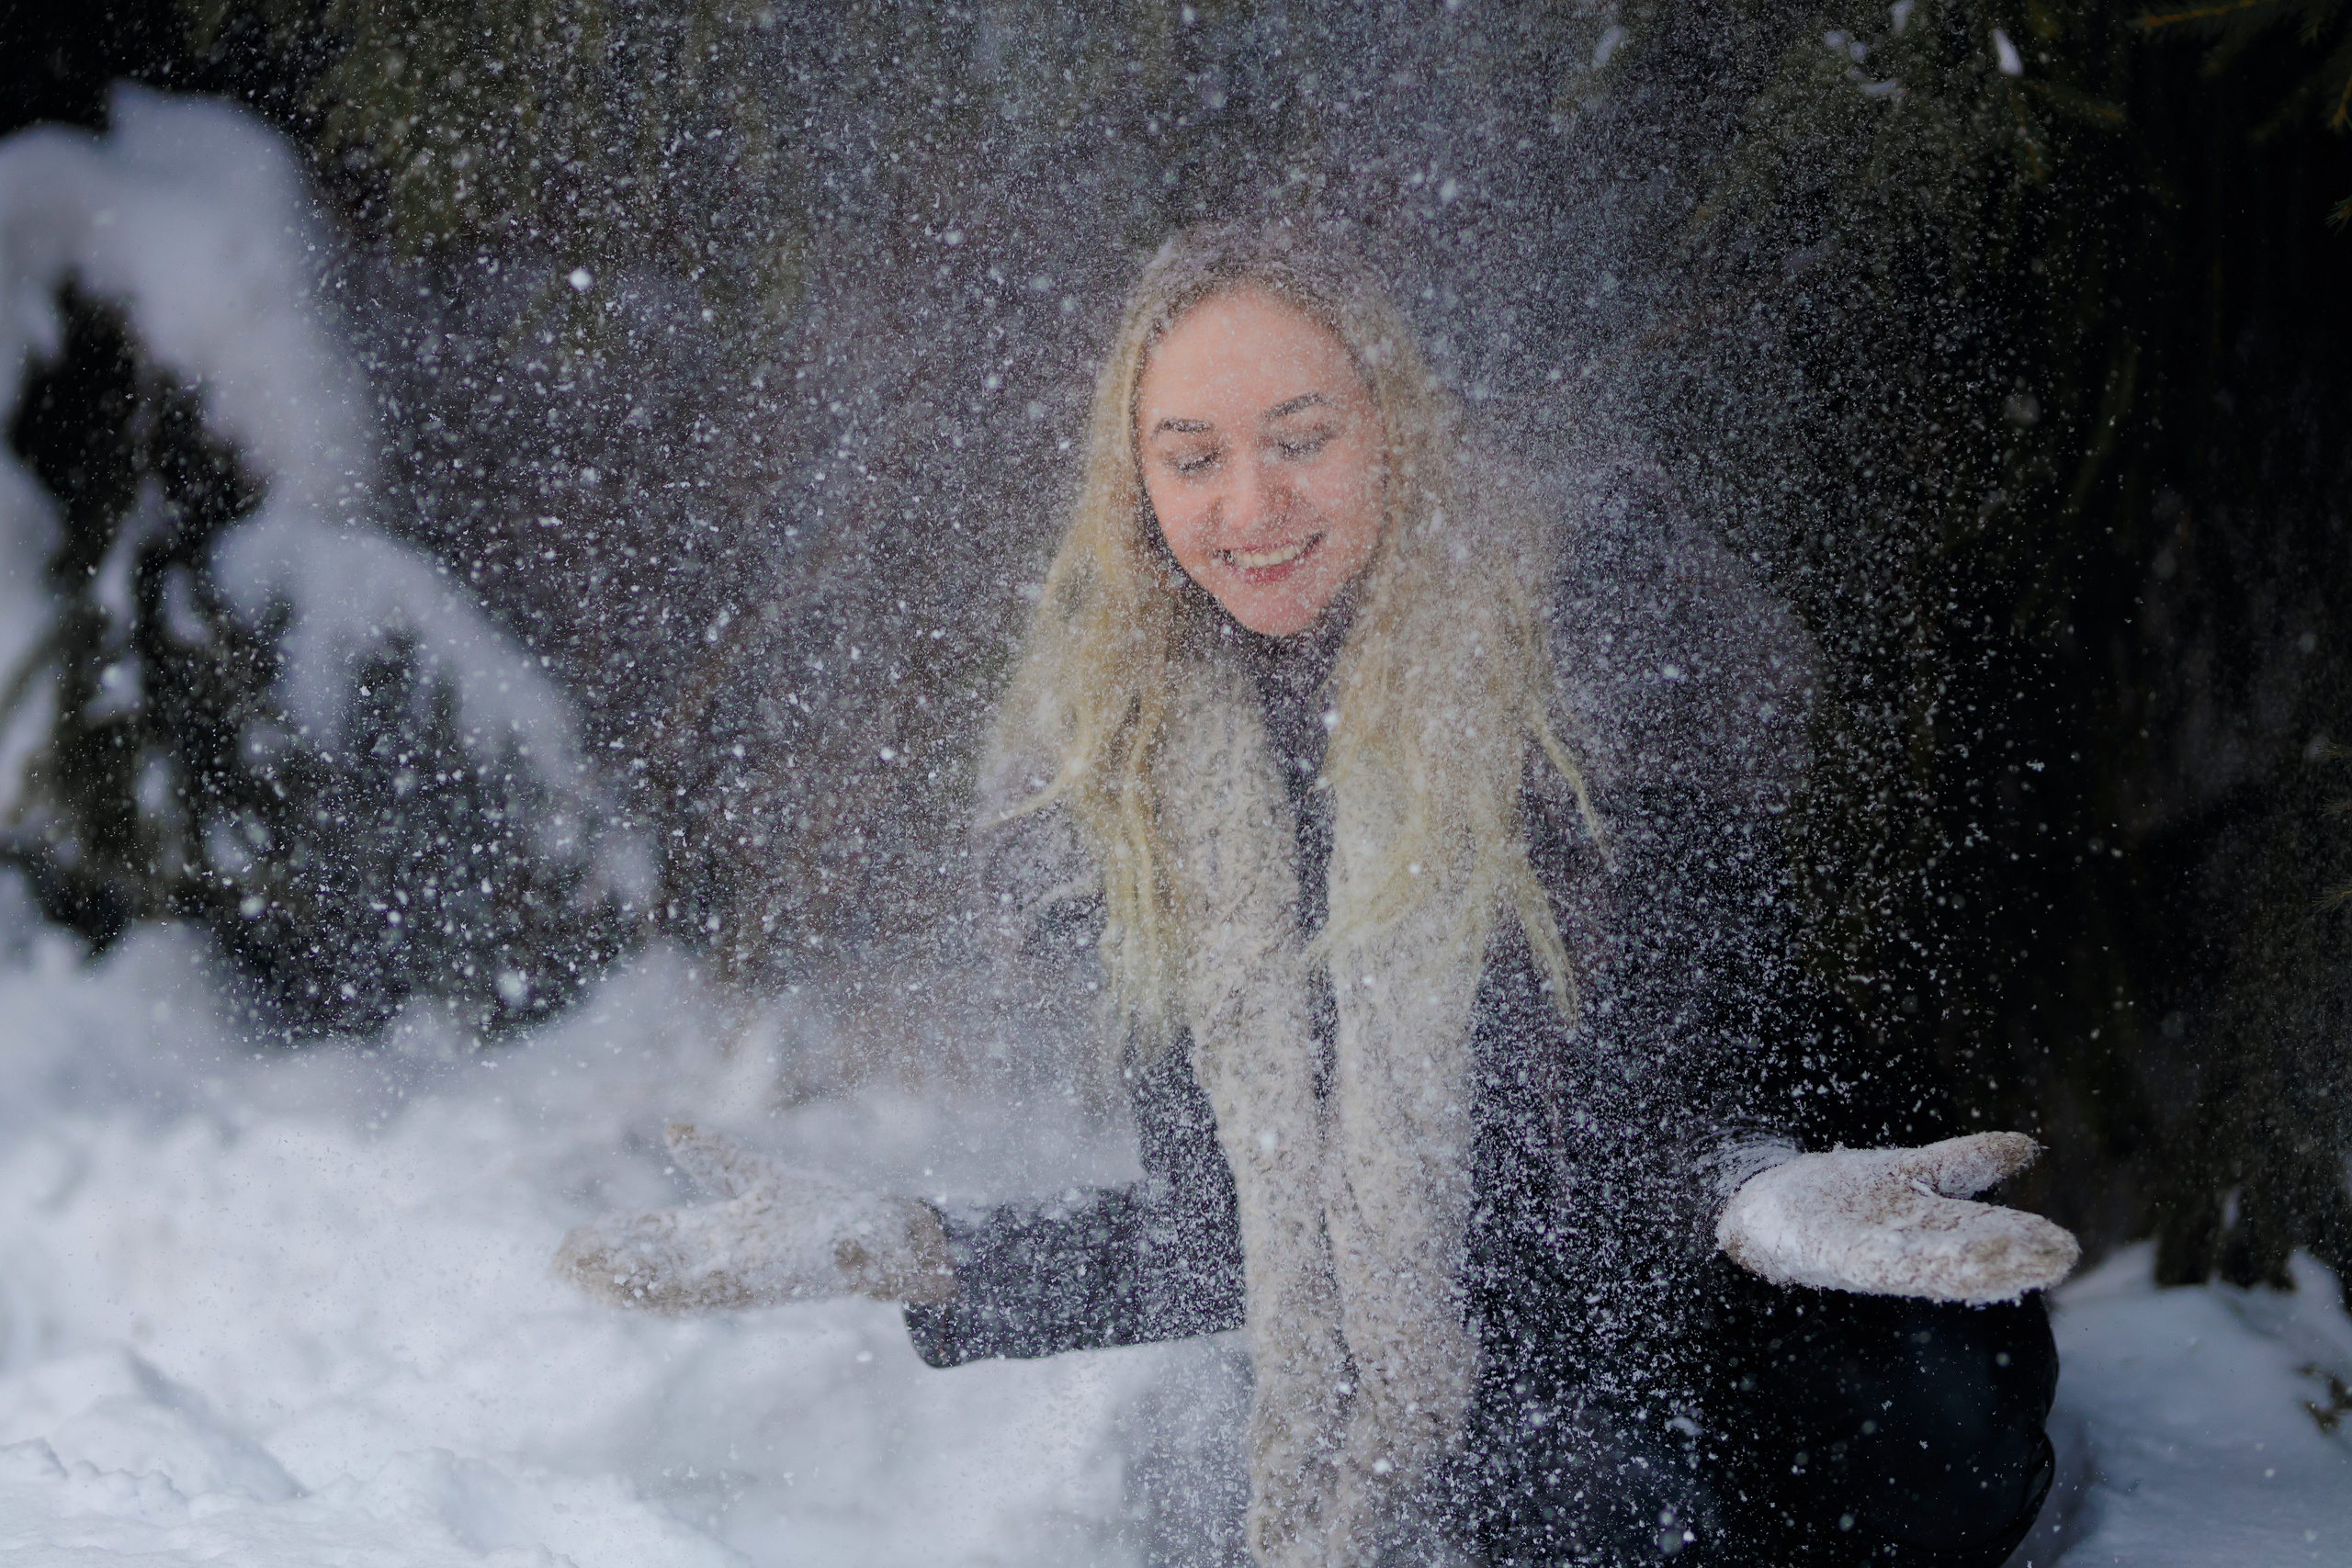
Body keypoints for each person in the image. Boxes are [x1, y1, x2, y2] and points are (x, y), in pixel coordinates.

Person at [555, 224, 2078, 1567]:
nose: (1251, 505)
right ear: (1134, 482)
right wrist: (912, 1245)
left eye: (1301, 434)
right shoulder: (1133, 766)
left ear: (1394, 427)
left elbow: (1625, 1134)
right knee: (1311, 1490)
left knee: (1882, 1458)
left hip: (1772, 1275)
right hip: (1488, 1319)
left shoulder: (1587, 662)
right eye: (1193, 455)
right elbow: (1237, 1223)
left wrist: (1751, 1189)